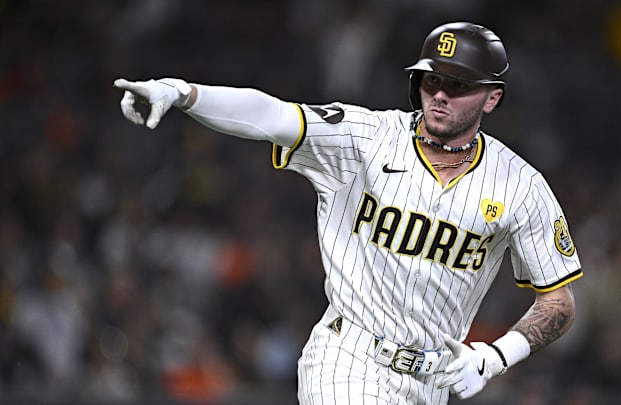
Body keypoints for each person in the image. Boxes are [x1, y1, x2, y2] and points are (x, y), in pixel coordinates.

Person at [114, 21, 583, 404]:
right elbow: (270, 115)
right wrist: (183, 92)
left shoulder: (520, 185)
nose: (439, 94)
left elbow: (558, 303)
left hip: (430, 383)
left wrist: (495, 357)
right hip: (348, 359)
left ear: (491, 97)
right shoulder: (366, 137)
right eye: (431, 79)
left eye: (458, 85)